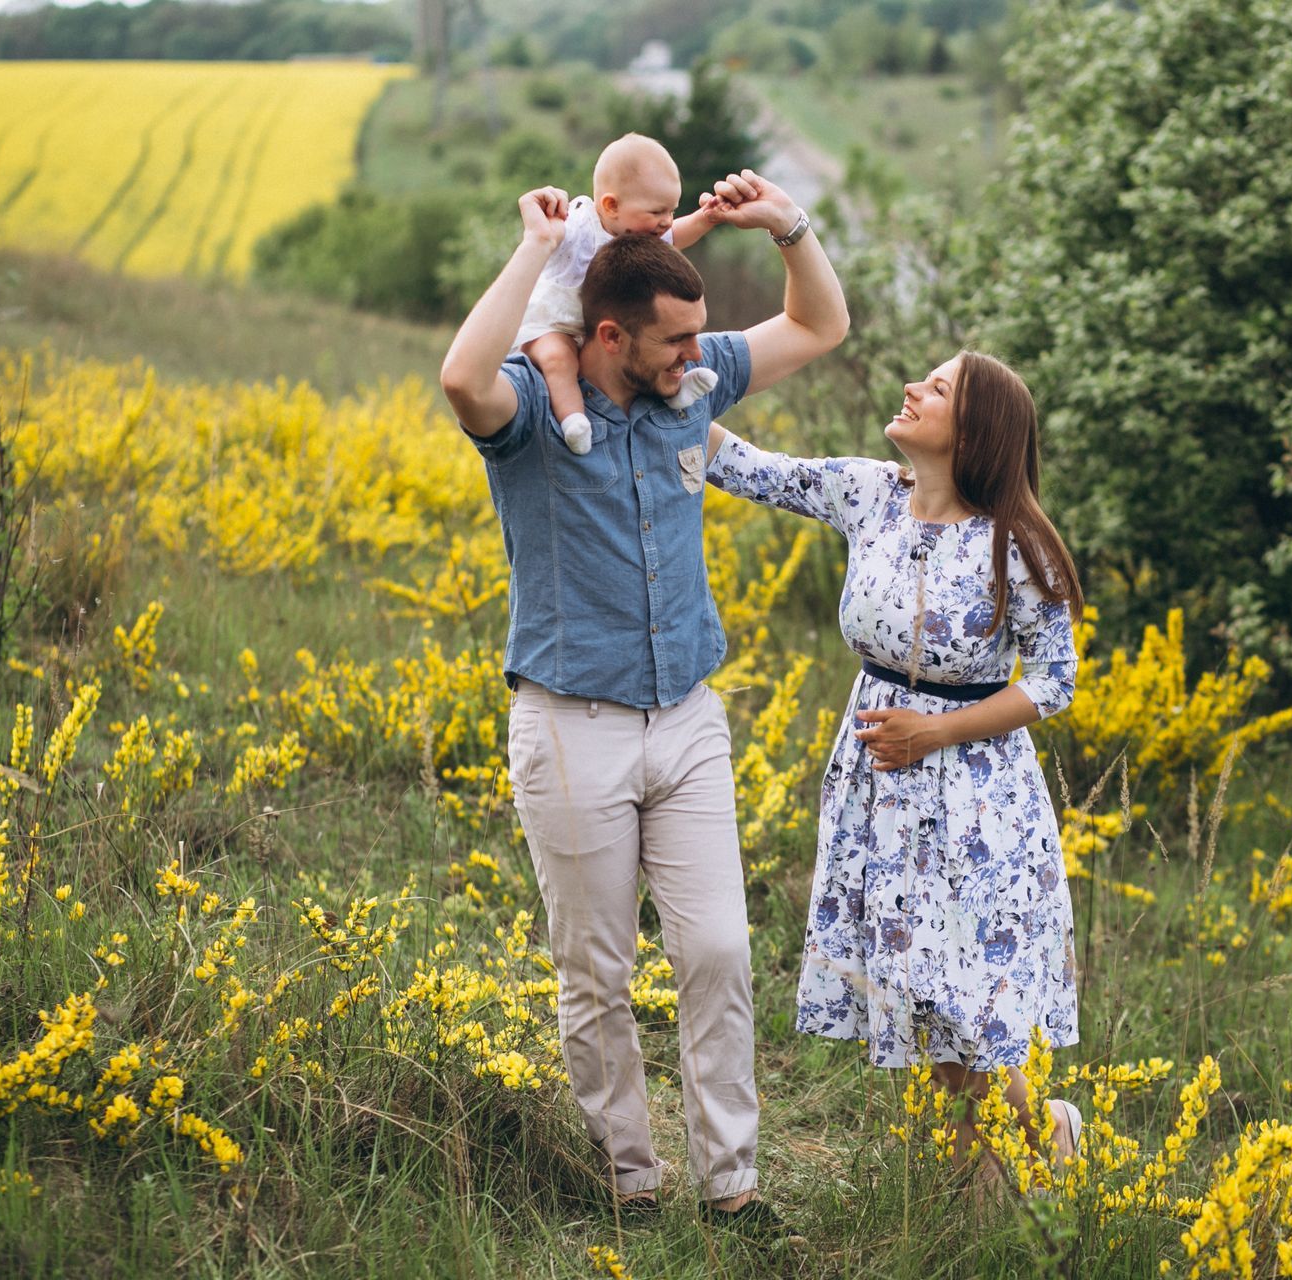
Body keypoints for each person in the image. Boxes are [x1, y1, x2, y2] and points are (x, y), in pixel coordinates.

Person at [439, 171, 847, 1230]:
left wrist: (787, 224)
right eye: (674, 342)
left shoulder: (694, 380)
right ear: (611, 335)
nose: (695, 360)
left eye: (700, 340)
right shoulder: (532, 414)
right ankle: (630, 1172)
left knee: (717, 946)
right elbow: (457, 376)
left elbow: (820, 322)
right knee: (598, 967)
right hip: (572, 725)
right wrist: (537, 247)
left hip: (688, 720)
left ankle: (733, 1180)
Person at [703, 351, 1086, 1183]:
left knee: (962, 997)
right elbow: (743, 467)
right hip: (876, 785)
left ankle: (1028, 1138)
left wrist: (936, 734)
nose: (913, 390)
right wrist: (672, 380)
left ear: (975, 430)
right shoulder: (869, 491)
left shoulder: (1018, 545)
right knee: (910, 987)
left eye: (938, 389)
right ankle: (985, 1170)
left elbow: (1055, 682)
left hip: (975, 793)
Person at [518, 133, 724, 455]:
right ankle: (573, 420)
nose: (666, 222)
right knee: (559, 360)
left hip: (599, 330)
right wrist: (545, 213)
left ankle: (675, 394)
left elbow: (678, 234)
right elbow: (546, 239)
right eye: (658, 212)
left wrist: (705, 217)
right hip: (555, 323)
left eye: (671, 210)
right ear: (611, 206)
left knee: (640, 357)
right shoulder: (580, 226)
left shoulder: (641, 230)